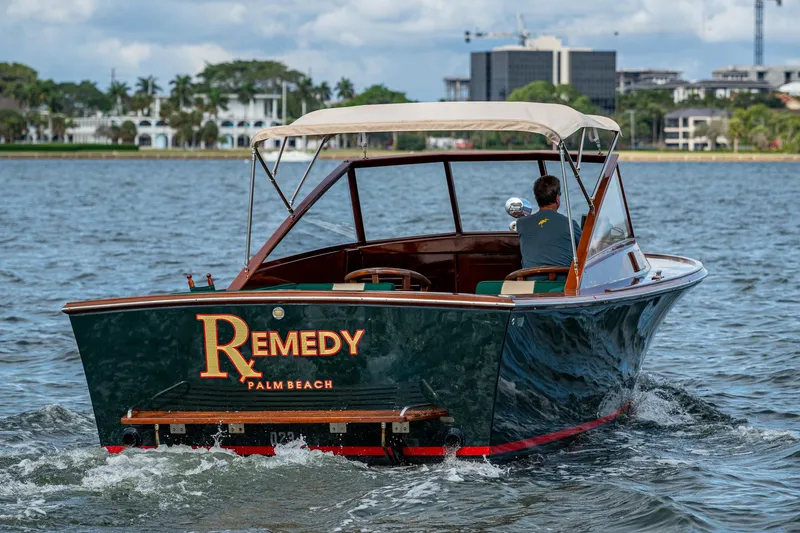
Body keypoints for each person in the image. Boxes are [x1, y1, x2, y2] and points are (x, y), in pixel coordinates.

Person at [516, 174, 582, 270]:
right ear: (557, 199)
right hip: (562, 282)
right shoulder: (570, 224)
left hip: (530, 281)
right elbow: (586, 250)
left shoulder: (521, 224)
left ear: (536, 199)